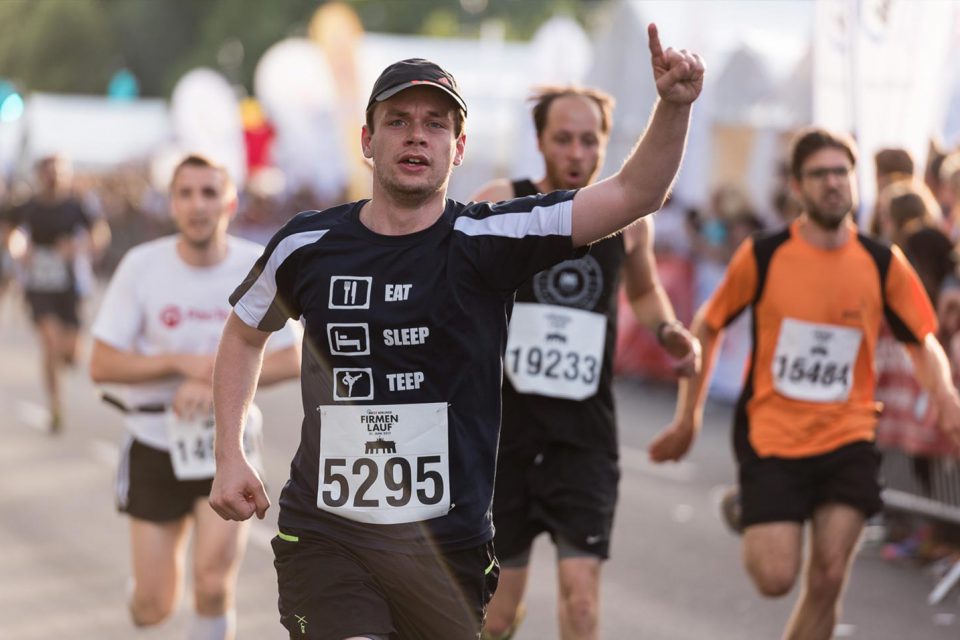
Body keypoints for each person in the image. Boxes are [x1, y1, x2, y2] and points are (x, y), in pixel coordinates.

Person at [210, 23, 703, 640]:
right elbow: (244, 331)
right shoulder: (307, 244)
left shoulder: (489, 240)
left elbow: (635, 192)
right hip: (329, 535)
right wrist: (229, 451)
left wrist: (674, 106)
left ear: (458, 147)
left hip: (448, 550)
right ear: (367, 139)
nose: (417, 133)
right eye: (398, 120)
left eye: (436, 123)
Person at [648, 127, 960, 640]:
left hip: (848, 436)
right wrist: (689, 417)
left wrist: (944, 396)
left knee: (830, 575)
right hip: (773, 437)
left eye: (842, 173)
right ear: (798, 186)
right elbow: (708, 324)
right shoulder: (765, 255)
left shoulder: (882, 262)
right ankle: (751, 501)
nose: (834, 184)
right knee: (775, 578)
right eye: (820, 175)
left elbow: (922, 340)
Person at [470, 86, 699, 640]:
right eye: (563, 139)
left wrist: (667, 329)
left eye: (589, 141)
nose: (577, 153)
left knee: (582, 607)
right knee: (496, 616)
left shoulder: (629, 220)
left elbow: (644, 293)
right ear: (540, 142)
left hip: (584, 437)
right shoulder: (503, 199)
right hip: (507, 439)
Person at [88, 154, 301, 639]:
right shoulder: (142, 266)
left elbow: (293, 358)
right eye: (186, 193)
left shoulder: (256, 264)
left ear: (230, 201)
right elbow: (101, 364)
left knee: (211, 585)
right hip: (154, 444)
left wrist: (212, 382)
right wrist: (177, 364)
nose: (198, 204)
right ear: (171, 204)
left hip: (229, 447)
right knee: (153, 607)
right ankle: (145, 590)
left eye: (209, 193)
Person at [0, 154, 110, 432]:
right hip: (38, 285)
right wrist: (18, 249)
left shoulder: (77, 206)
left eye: (59, 173)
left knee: (71, 354)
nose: (54, 178)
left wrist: (79, 248)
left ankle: (65, 356)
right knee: (49, 342)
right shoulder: (28, 206)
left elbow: (100, 232)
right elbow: (8, 230)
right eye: (49, 173)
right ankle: (56, 406)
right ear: (40, 175)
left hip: (70, 285)